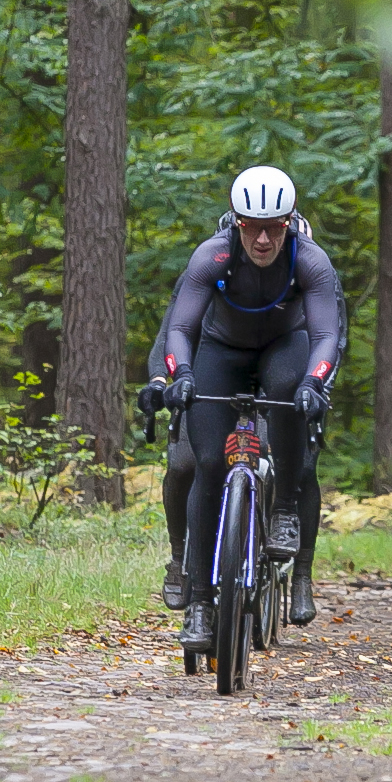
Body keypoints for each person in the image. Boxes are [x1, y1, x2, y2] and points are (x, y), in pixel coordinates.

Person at [137, 166, 343, 652]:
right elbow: (179, 328)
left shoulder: (310, 260)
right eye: (253, 227)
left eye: (275, 227)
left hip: (284, 346)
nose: (264, 239)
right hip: (221, 349)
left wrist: (315, 382)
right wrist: (180, 376)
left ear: (290, 222)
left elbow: (326, 334)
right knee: (207, 463)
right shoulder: (213, 255)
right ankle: (200, 605)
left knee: (290, 388)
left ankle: (285, 508)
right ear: (237, 222)